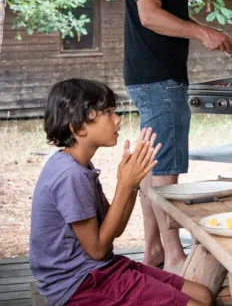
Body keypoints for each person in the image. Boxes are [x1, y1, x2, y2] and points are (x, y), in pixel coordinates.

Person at [123, 0, 232, 273]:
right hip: (159, 80)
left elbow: (173, 17)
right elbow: (149, 16)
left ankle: (155, 251)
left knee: (151, 166)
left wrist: (212, 33)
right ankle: (175, 257)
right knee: (166, 171)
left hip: (153, 78)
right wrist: (201, 32)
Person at [30, 79, 213, 306]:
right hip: (80, 284)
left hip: (101, 269)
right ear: (79, 127)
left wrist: (132, 183)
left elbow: (114, 229)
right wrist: (124, 185)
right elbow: (97, 250)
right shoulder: (70, 176)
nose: (117, 119)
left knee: (204, 295)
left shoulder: (80, 166)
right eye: (107, 112)